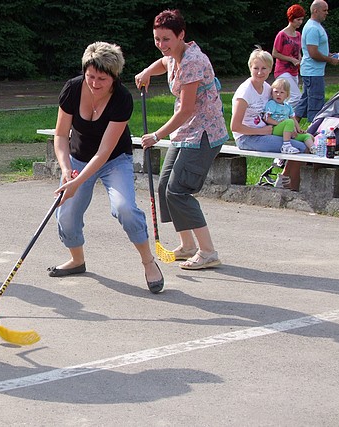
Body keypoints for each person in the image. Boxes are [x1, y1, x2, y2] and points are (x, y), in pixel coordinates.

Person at [49, 41, 164, 294]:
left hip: (113, 160)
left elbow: (103, 153)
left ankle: (148, 262)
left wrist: (77, 182)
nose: (94, 83)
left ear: (114, 77)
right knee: (66, 214)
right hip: (78, 158)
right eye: (90, 76)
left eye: (102, 79)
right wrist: (66, 170)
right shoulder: (72, 89)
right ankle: (77, 260)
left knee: (125, 209)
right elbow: (61, 135)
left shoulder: (122, 99)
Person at [134, 9, 226, 270]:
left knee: (179, 190)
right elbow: (164, 63)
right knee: (165, 186)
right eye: (157, 39)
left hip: (204, 133)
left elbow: (186, 109)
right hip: (186, 132)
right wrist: (147, 71)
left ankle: (208, 252)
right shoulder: (175, 55)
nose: (161, 44)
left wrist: (156, 135)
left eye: (166, 39)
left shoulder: (192, 61)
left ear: (181, 35)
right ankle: (187, 246)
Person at [231, 47, 306, 191]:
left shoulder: (267, 88)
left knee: (303, 142)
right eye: (256, 68)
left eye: (264, 68)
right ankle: (286, 184)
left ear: (270, 69)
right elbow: (235, 127)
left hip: (267, 131)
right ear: (250, 68)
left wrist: (289, 129)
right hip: (247, 137)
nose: (260, 72)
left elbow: (279, 109)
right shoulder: (245, 92)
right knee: (300, 148)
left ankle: (288, 184)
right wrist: (262, 131)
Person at [294, 0, 339, 123]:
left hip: (312, 71)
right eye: (324, 10)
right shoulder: (312, 28)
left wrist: (329, 54)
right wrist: (330, 60)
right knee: (316, 103)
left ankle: (292, 127)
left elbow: (316, 49)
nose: (327, 13)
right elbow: (313, 53)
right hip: (313, 72)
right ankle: (313, 131)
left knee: (305, 101)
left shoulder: (315, 26)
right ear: (315, 10)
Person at [263, 78, 314, 154]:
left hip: (288, 129)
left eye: (282, 92)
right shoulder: (272, 104)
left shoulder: (287, 106)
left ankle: (313, 149)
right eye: (276, 92)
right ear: (271, 93)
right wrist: (279, 123)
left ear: (287, 95)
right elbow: (266, 118)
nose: (278, 94)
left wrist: (298, 129)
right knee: (289, 122)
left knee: (307, 136)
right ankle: (286, 145)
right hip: (275, 129)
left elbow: (293, 118)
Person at [271, 4, 306, 110]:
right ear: (291, 19)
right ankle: (280, 113)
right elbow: (274, 53)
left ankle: (285, 119)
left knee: (287, 97)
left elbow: (298, 51)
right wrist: (291, 59)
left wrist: (299, 59)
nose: (300, 22)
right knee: (296, 97)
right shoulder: (282, 35)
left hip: (294, 71)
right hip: (282, 71)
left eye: (302, 19)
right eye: (298, 19)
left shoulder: (298, 35)